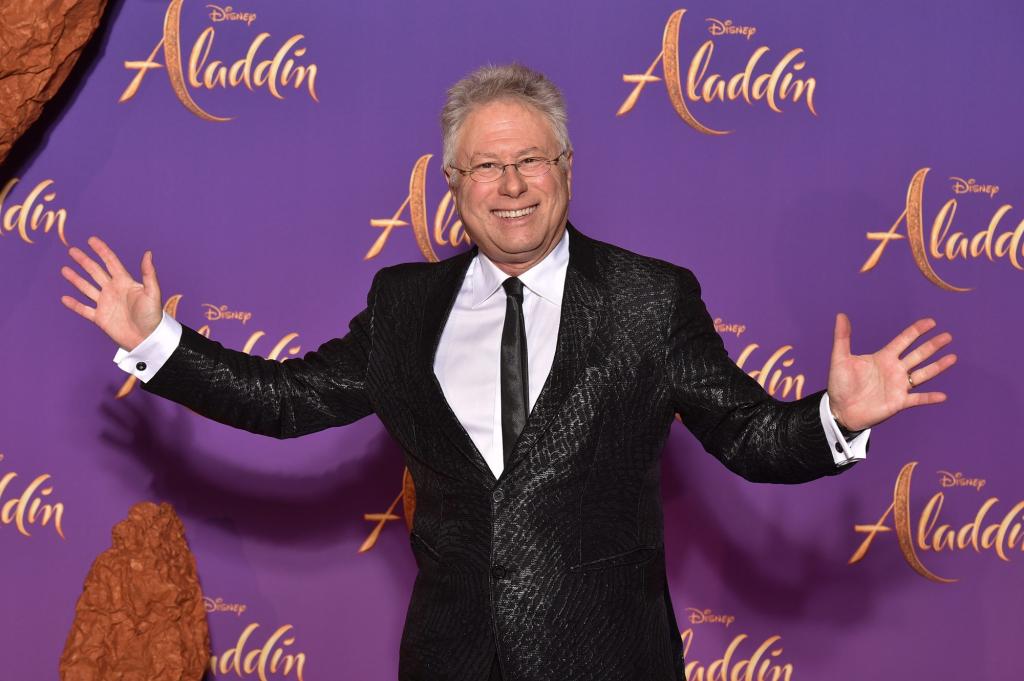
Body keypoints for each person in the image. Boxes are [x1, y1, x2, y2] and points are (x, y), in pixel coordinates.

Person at [60, 64, 956, 681]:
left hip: (608, 657)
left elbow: (750, 436)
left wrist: (836, 418)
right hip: (451, 657)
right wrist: (163, 343)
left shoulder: (650, 298)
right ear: (453, 185)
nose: (512, 183)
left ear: (567, 169)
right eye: (486, 165)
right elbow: (291, 401)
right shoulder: (404, 303)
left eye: (531, 158)